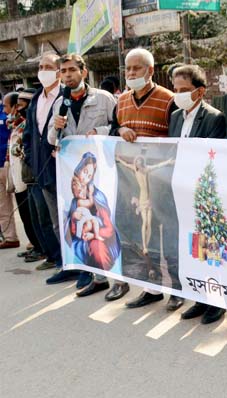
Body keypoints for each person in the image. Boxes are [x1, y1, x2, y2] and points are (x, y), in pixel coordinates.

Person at [108, 48, 184, 312]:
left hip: (162, 182)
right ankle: (151, 287)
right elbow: (113, 131)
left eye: (136, 68)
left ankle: (176, 288)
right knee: (142, 237)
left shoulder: (168, 100)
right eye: (127, 69)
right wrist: (120, 129)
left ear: (150, 71)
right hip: (134, 183)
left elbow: (177, 138)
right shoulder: (122, 101)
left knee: (168, 235)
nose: (131, 73)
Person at [45, 53, 118, 294]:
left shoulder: (104, 99)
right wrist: (56, 130)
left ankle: (115, 277)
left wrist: (101, 130)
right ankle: (92, 274)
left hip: (103, 175)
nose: (67, 75)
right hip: (77, 179)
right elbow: (52, 140)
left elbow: (119, 127)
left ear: (83, 72)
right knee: (82, 224)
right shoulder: (59, 103)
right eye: (63, 71)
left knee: (106, 222)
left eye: (71, 70)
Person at [166, 64, 227, 325]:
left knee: (210, 249)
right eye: (175, 89)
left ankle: (217, 302)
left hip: (204, 195)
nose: (178, 94)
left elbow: (212, 157)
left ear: (200, 91)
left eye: (184, 90)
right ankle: (200, 298)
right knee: (191, 248)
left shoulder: (214, 118)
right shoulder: (176, 116)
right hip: (181, 191)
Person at [22, 53, 64, 272]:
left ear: (58, 71)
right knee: (45, 216)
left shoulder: (65, 96)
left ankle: (73, 262)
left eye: (48, 66)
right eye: (40, 66)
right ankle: (56, 257)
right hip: (40, 167)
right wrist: (31, 157)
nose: (43, 70)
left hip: (62, 167)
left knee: (66, 216)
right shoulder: (36, 98)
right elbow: (29, 133)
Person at [7, 89, 45, 262]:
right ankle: (36, 246)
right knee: (27, 216)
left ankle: (42, 248)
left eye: (22, 105)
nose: (18, 109)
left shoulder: (29, 125)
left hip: (31, 176)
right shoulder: (18, 125)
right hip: (20, 176)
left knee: (36, 217)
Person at [0, 92, 21, 250]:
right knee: (4, 205)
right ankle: (10, 237)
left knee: (13, 203)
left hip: (10, 163)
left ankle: (11, 237)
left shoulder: (11, 115)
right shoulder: (7, 113)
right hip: (7, 163)